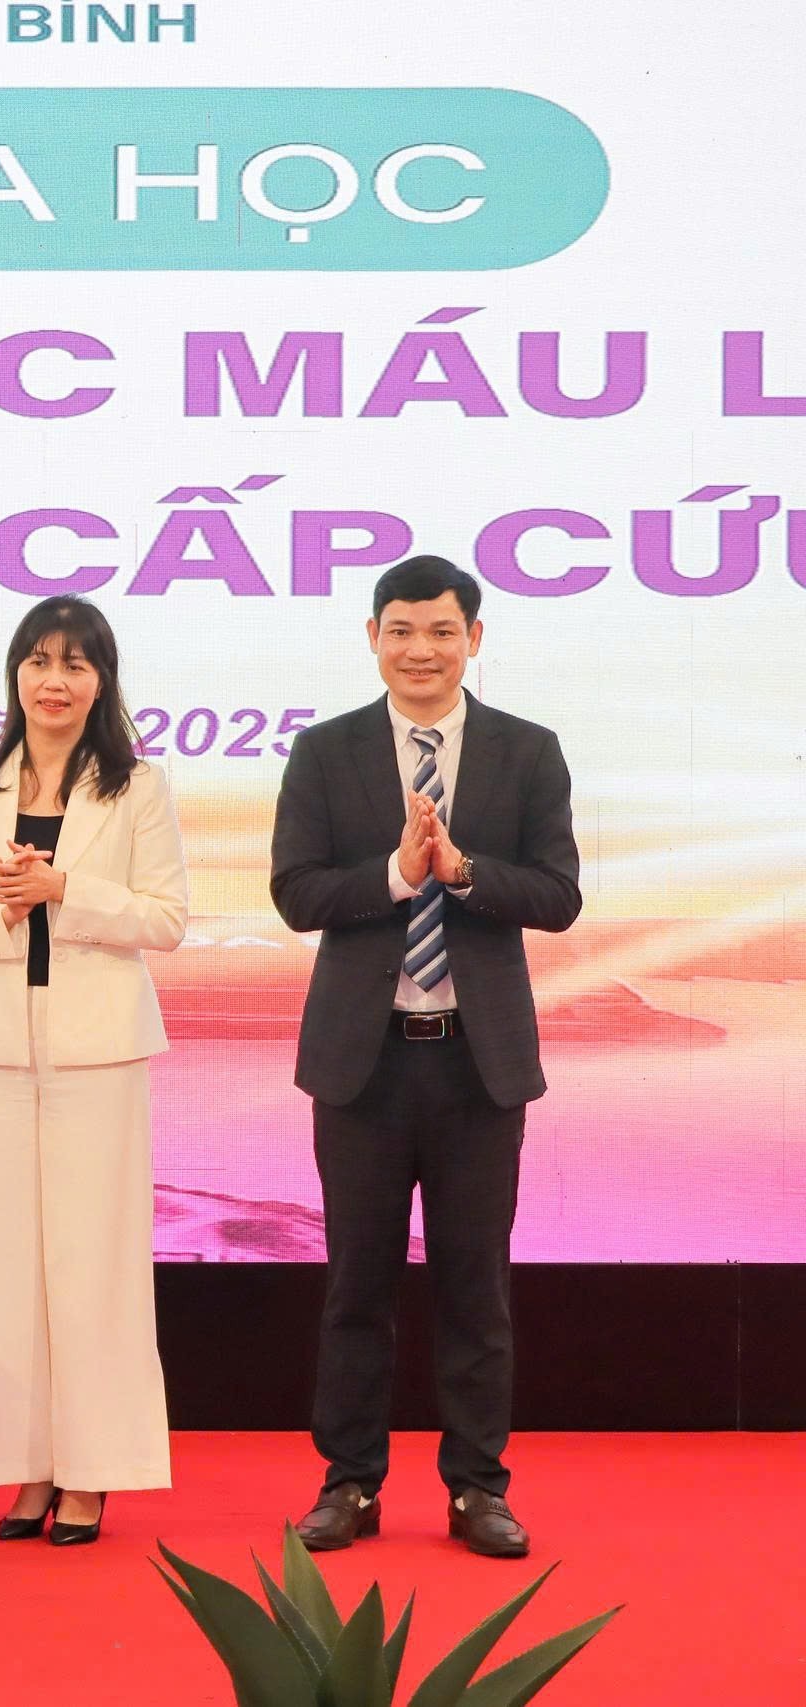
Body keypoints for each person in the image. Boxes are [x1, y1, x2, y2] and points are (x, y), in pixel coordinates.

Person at [271, 555, 582, 1560]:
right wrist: (397, 876)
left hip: (476, 1067)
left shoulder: (527, 751)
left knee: (474, 1290)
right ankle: (350, 1484)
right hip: (361, 1066)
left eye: (442, 631)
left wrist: (464, 871)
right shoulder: (326, 751)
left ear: (473, 639)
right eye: (400, 630)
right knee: (355, 1287)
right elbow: (296, 893)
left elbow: (558, 896)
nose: (421, 650)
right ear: (373, 638)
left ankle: (477, 1489)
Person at [0, 596, 188, 1547]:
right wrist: (3, 910)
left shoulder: (137, 786)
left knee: (93, 1260)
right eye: (38, 660)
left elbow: (166, 918)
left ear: (101, 680)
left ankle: (91, 1470)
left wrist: (63, 888)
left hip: (98, 1049)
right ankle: (26, 1465)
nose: (55, 681)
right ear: (15, 674)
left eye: (75, 663)